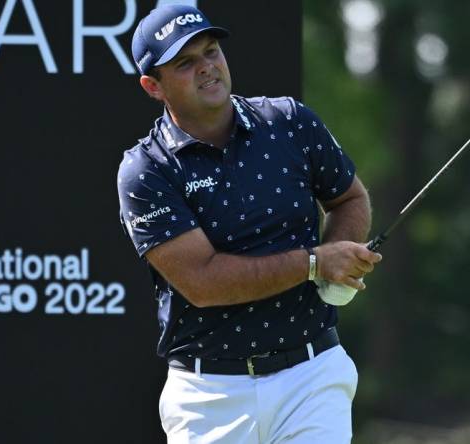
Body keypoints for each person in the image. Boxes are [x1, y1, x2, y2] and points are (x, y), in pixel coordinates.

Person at [117, 5, 382, 443]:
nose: (207, 68)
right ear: (152, 86)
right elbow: (203, 282)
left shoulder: (289, 122)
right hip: (208, 394)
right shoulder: (147, 170)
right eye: (186, 63)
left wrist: (339, 264)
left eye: (211, 51)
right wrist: (316, 264)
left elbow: (348, 197)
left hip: (311, 375)